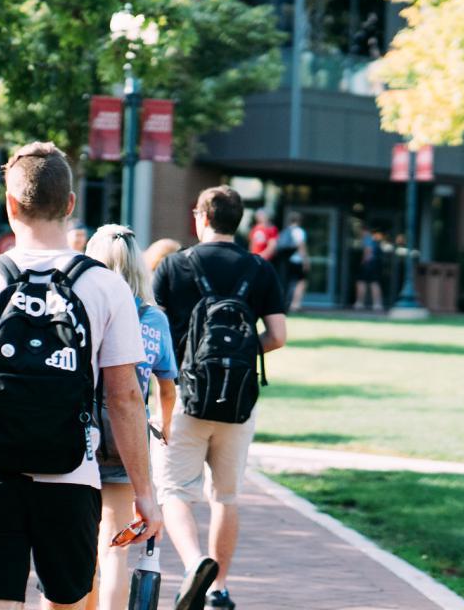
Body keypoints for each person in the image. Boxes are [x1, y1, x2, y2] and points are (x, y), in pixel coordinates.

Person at [0, 142, 162, 610]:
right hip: (71, 474)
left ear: (10, 204)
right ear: (70, 205)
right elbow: (124, 400)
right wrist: (145, 493)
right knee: (66, 602)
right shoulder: (106, 286)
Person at [152, 186, 287, 610]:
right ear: (239, 220)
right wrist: (243, 354)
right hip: (238, 401)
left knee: (174, 490)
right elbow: (279, 336)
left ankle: (195, 563)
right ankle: (218, 589)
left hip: (184, 399)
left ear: (201, 216)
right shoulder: (260, 270)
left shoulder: (173, 266)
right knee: (225, 496)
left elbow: (154, 335)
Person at [83, 225, 178, 610]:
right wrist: (165, 423)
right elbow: (168, 387)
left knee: (83, 545)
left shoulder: (84, 308)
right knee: (115, 548)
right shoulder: (154, 320)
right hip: (130, 438)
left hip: (83, 434)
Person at [276, 213, 308, 312]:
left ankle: (285, 303)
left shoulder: (285, 231)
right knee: (301, 282)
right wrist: (305, 261)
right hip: (297, 260)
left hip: (287, 261)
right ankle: (295, 304)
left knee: (287, 282)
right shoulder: (299, 231)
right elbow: (301, 246)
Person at [354, 227, 386, 312]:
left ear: (366, 231)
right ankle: (377, 304)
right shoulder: (374, 240)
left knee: (361, 283)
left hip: (368, 265)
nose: (361, 234)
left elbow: (368, 250)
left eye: (362, 232)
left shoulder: (367, 239)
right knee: (374, 283)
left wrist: (363, 261)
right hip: (375, 265)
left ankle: (360, 303)